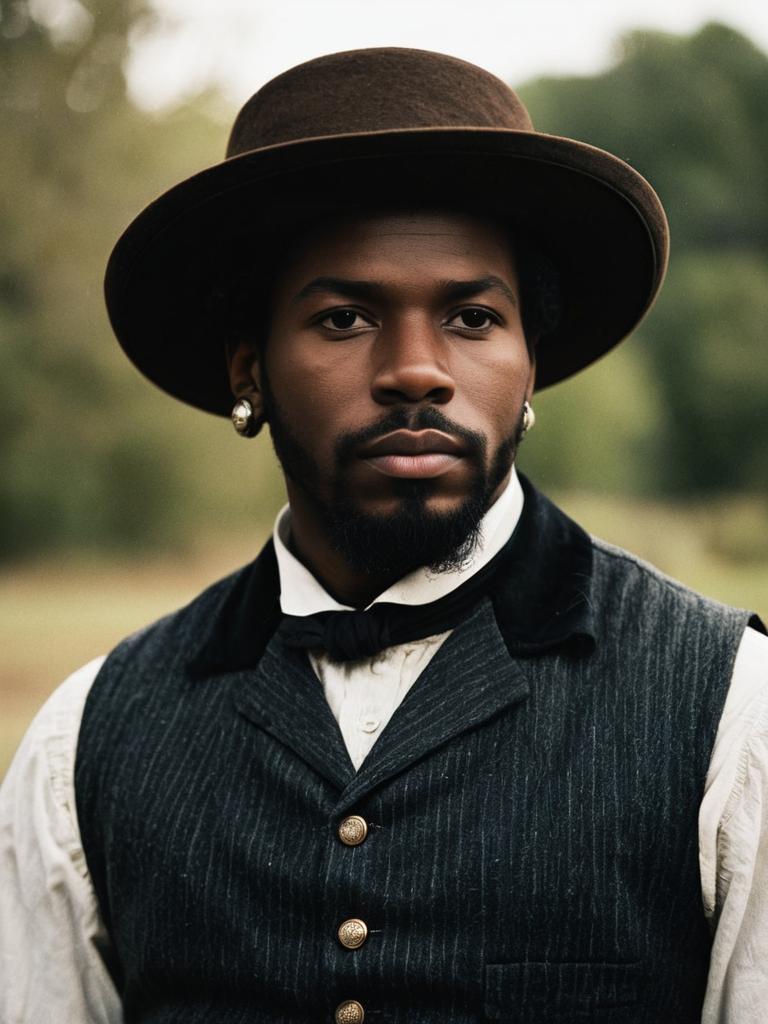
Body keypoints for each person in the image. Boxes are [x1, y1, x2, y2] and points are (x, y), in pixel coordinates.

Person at [1, 47, 766, 1024]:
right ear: (249, 369)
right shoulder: (87, 740)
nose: (417, 370)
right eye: (346, 316)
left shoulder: (730, 710)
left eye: (473, 315)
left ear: (531, 364)